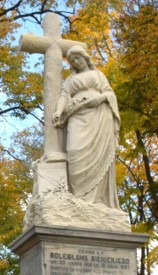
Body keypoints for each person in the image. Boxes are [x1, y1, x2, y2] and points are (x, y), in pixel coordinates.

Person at [52, 45, 121, 208]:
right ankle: (78, 198)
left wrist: (102, 98)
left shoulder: (98, 74)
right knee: (74, 151)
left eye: (78, 58)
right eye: (73, 60)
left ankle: (96, 200)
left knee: (98, 152)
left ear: (85, 58)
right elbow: (64, 96)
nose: (76, 62)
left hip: (99, 115)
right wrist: (58, 111)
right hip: (76, 116)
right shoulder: (70, 80)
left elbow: (110, 93)